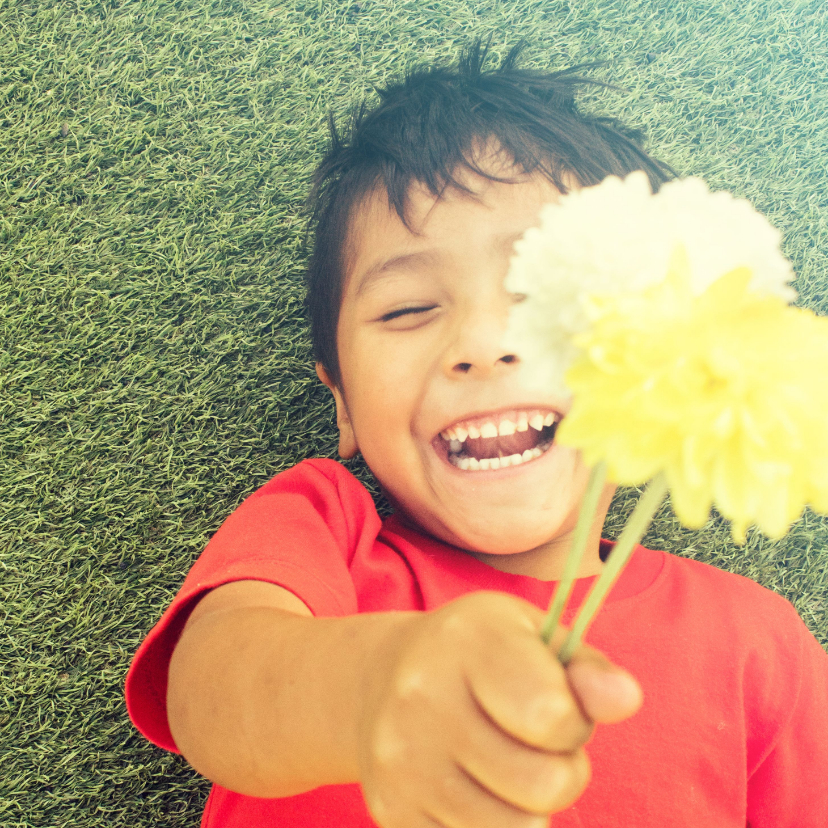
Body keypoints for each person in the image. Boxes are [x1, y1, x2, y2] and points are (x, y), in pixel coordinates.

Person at [125, 43, 828, 828]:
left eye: (544, 297)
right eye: (407, 309)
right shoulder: (322, 530)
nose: (484, 343)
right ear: (344, 405)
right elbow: (211, 692)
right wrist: (374, 689)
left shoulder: (762, 646)